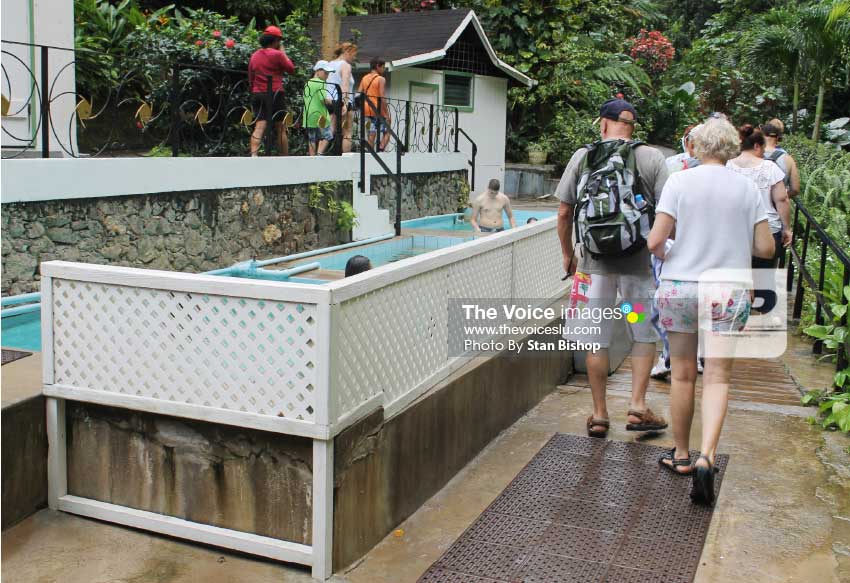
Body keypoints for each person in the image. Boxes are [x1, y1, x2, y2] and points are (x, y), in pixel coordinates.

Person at [648, 117, 776, 505]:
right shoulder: (747, 187)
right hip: (728, 289)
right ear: (732, 148)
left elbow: (655, 241)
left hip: (680, 286)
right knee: (717, 376)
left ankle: (682, 456)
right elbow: (766, 249)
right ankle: (708, 457)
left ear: (696, 147)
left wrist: (677, 252)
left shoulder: (679, 181)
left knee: (683, 375)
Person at [557, 98, 669, 438]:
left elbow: (563, 212)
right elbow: (668, 212)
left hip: (594, 268)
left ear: (603, 124)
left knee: (596, 338)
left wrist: (568, 255)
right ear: (632, 126)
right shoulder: (651, 158)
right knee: (641, 333)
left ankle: (599, 414)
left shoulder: (583, 156)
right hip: (636, 269)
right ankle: (636, 405)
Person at [653, 123, 705, 381]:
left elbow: (657, 237)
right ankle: (697, 357)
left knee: (662, 313)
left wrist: (660, 252)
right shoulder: (736, 178)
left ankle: (669, 358)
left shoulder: (672, 169)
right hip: (718, 268)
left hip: (676, 260)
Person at [727, 124, 791, 314]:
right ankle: (763, 313)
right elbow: (782, 199)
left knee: (737, 273)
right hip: (768, 230)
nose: (764, 152)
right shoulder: (769, 167)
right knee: (764, 275)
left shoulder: (728, 166)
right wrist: (787, 228)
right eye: (763, 148)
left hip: (735, 230)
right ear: (756, 146)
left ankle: (736, 311)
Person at [248, 25, 295, 157]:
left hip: (258, 93)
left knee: (259, 125)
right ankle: (284, 157)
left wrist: (255, 89)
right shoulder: (278, 54)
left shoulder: (255, 55)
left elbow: (251, 77)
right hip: (275, 93)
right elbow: (291, 69)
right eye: (279, 41)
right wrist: (283, 52)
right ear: (275, 41)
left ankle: (253, 155)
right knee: (280, 128)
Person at [327, 42, 357, 153]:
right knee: (347, 132)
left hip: (329, 100)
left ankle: (319, 154)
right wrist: (345, 103)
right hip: (342, 101)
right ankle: (346, 160)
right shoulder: (345, 65)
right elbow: (345, 85)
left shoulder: (329, 64)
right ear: (347, 52)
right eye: (354, 54)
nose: (354, 57)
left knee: (330, 130)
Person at [762, 118, 801, 198]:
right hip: (777, 207)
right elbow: (795, 189)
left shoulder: (751, 154)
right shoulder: (788, 159)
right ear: (778, 137)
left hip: (754, 207)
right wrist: (779, 197)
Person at [358, 58, 391, 151]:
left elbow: (359, 92)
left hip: (366, 110)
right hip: (377, 109)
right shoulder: (381, 79)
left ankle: (369, 153)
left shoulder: (364, 78)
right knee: (387, 131)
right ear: (378, 66)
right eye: (383, 67)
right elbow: (382, 96)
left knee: (371, 133)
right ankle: (381, 148)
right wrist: (387, 114)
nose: (384, 69)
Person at [303, 60, 335, 156]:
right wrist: (332, 101)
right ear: (317, 71)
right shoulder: (321, 83)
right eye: (325, 73)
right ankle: (319, 154)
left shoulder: (308, 83)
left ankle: (312, 158)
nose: (327, 76)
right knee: (328, 135)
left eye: (328, 73)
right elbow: (323, 99)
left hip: (308, 114)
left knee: (312, 139)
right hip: (320, 114)